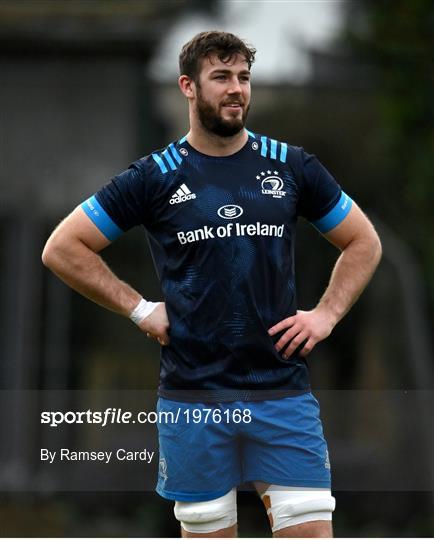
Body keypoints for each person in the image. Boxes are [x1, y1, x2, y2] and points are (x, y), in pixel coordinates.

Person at [42, 30, 382, 538]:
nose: (236, 89)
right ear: (188, 86)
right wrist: (139, 309)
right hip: (192, 400)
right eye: (221, 77)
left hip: (281, 395)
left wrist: (326, 314)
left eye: (243, 77)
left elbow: (363, 241)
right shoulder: (154, 176)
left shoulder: (289, 165)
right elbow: (62, 248)